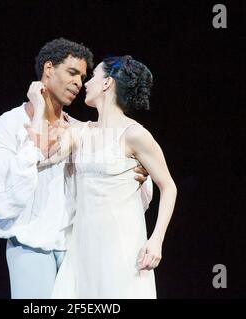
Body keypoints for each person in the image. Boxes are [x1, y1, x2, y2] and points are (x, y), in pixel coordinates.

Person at [0, 39, 152, 299]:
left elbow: (111, 174)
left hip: (75, 249)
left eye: (84, 76)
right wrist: (34, 139)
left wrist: (138, 173)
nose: (79, 82)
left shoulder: (80, 129)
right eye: (72, 72)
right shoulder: (11, 123)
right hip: (31, 246)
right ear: (48, 69)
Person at [27, 55, 177, 298]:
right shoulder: (80, 133)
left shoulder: (135, 134)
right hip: (84, 246)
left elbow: (168, 187)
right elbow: (39, 157)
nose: (86, 83)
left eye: (93, 76)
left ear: (107, 83)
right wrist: (39, 106)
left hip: (123, 245)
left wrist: (156, 239)